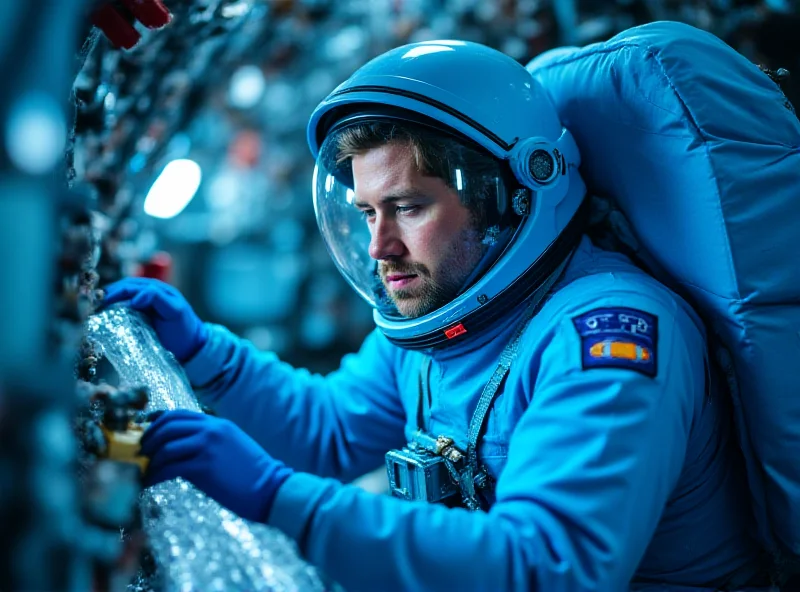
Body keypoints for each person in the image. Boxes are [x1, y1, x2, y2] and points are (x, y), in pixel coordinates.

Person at [103, 39, 770, 591]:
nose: (379, 247)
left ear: (512, 196)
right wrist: (205, 355)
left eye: (408, 207)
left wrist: (277, 496)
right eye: (366, 213)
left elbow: (547, 567)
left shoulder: (607, 336)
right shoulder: (444, 317)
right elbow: (331, 431)